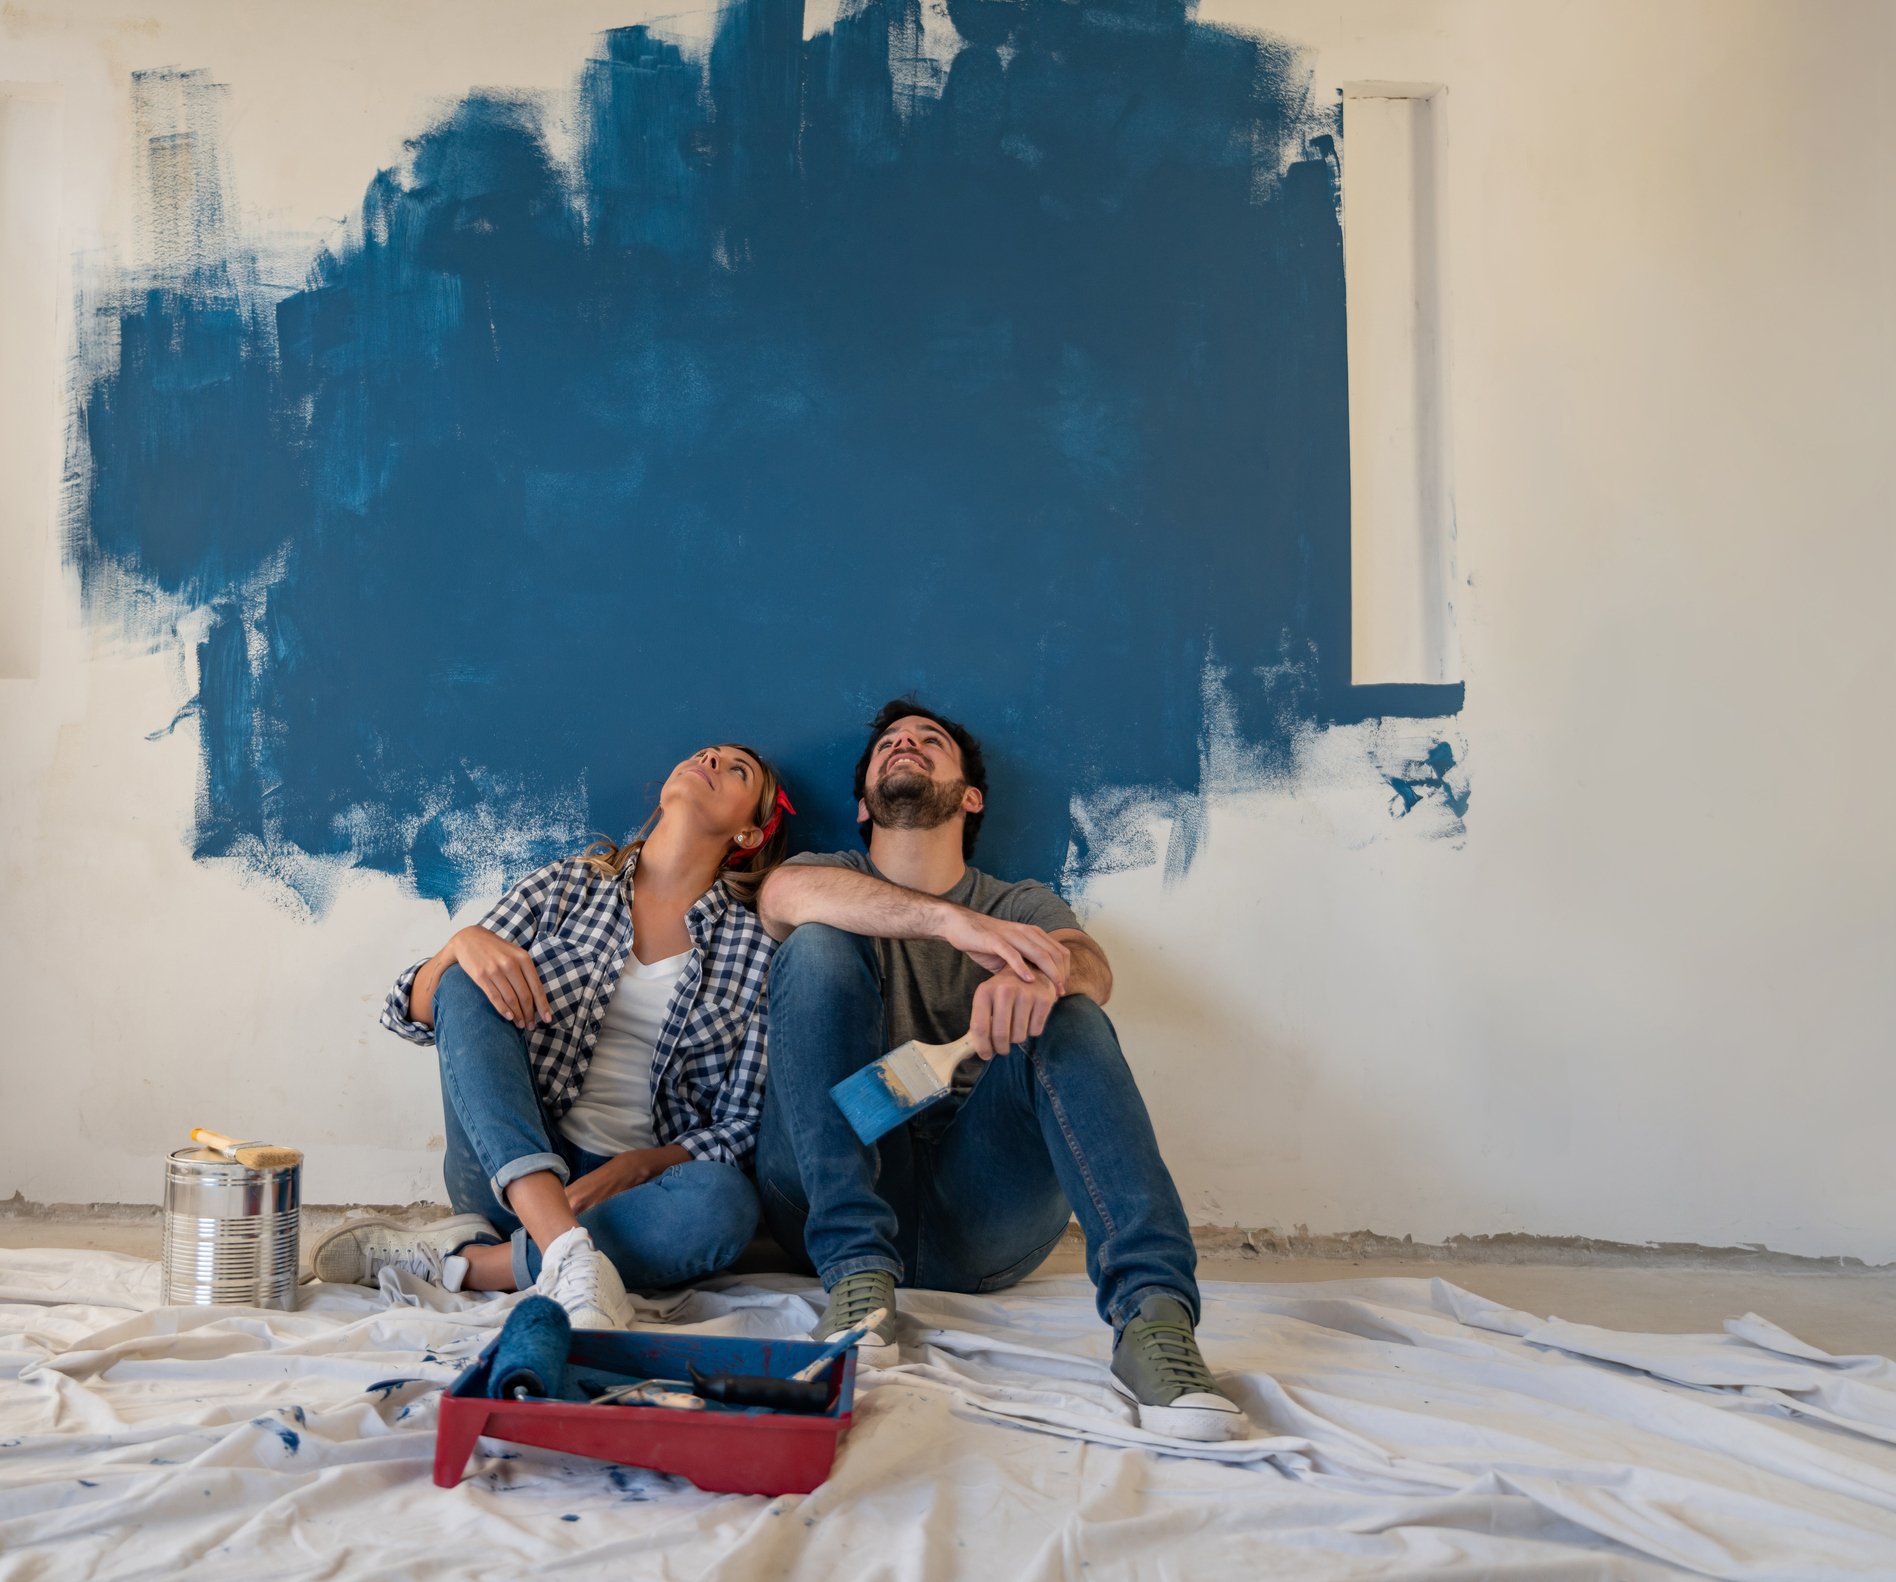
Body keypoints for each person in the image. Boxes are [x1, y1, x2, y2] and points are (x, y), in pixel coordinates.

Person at [754, 700, 1241, 1440]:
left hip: (978, 1213)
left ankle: (1154, 1322)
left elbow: (1094, 970)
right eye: (891, 743)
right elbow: (783, 898)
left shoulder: (1020, 903)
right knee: (816, 946)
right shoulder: (825, 874)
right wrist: (947, 920)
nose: (906, 745)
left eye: (929, 740)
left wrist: (1045, 977)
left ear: (970, 796)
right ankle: (857, 1277)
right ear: (863, 805)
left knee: (1073, 1012)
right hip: (833, 1192)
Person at [312, 744, 791, 1329]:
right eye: (705, 754)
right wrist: (459, 944)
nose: (711, 762)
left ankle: (465, 1264)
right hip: (507, 1169)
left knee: (726, 1205)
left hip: (634, 1200)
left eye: (735, 770)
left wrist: (636, 1167)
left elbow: (743, 1123)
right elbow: (413, 1011)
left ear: (748, 833)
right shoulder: (566, 888)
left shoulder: (757, 951)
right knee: (465, 977)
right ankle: (563, 1250)